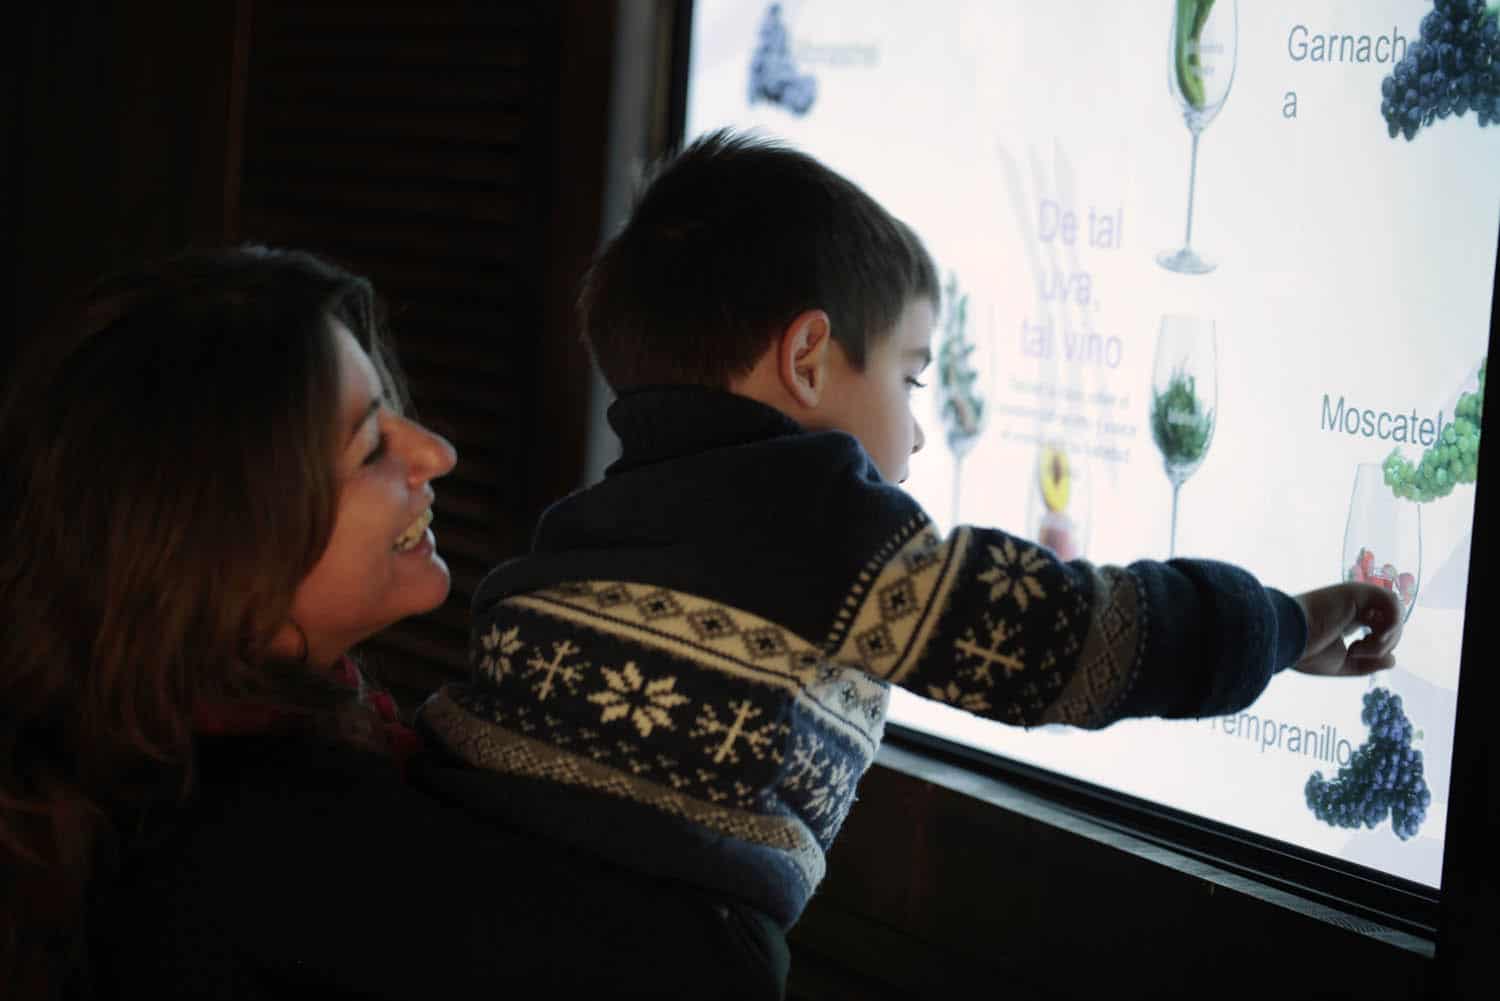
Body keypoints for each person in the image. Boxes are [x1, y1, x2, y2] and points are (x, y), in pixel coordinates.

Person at [412, 129, 1405, 993]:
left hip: (456, 876)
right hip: (643, 940)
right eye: (910, 373)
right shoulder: (819, 519)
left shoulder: (595, 515)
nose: (921, 433)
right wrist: (1285, 623)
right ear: (808, 360)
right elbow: (1066, 642)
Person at [0, 246, 785, 1000]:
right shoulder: (286, 850)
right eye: (373, 444)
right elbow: (721, 972)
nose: (436, 453)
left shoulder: (138, 749)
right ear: (223, 539)